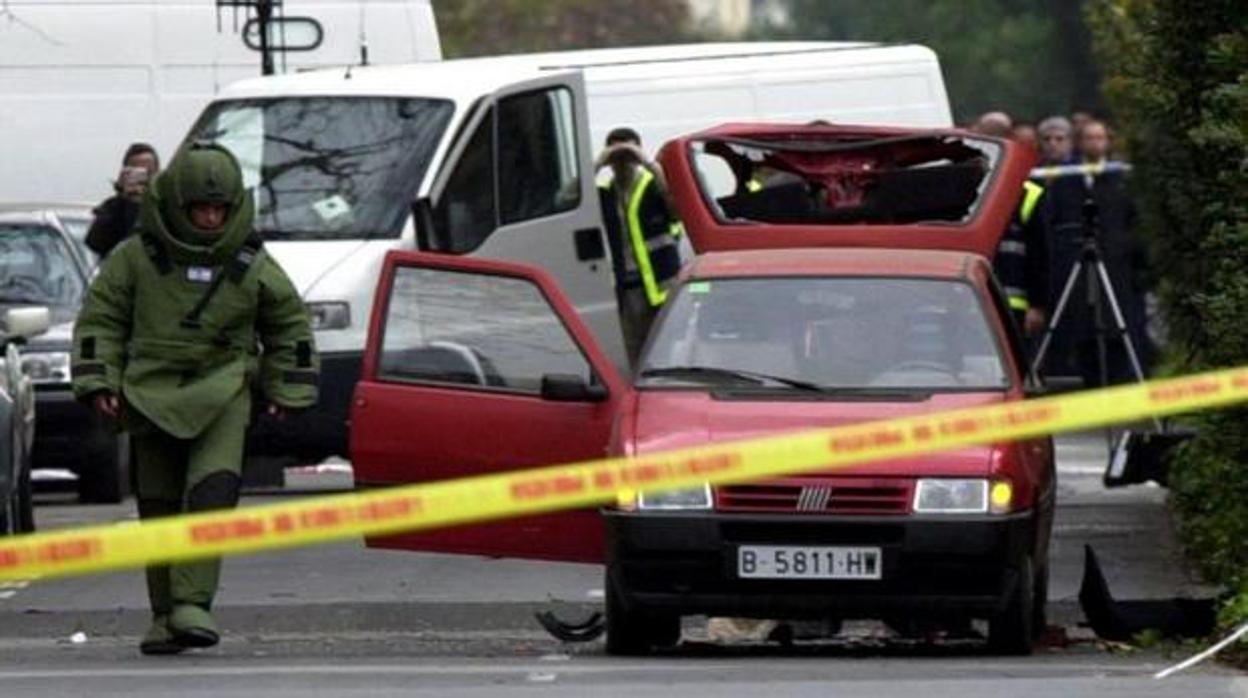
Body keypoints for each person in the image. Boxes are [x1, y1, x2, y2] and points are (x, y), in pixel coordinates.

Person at [71, 142, 318, 655]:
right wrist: (99, 381)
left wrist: (286, 386)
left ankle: (192, 603)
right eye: (199, 209)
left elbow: (289, 322)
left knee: (211, 492)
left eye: (219, 210)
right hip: (149, 393)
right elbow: (102, 320)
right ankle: (164, 616)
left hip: (224, 389)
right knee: (159, 506)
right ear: (176, 206)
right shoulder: (137, 257)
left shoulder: (249, 260)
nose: (209, 219)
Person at [596, 127, 685, 363]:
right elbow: (564, 201)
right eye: (616, 155)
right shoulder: (604, 193)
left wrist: (648, 163)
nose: (623, 161)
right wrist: (598, 163)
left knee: (667, 351)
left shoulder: (654, 183)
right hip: (628, 288)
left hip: (662, 282)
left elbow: (679, 211)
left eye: (629, 153)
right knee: (634, 355)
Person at [971, 112, 1052, 339]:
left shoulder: (1027, 192)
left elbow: (1039, 255)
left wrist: (1037, 305)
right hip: (973, 298)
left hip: (1010, 303)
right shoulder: (963, 187)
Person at [85, 143, 161, 259]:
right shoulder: (113, 208)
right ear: (125, 173)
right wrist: (125, 200)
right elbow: (95, 243)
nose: (143, 178)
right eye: (137, 172)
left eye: (148, 172)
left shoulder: (167, 207)